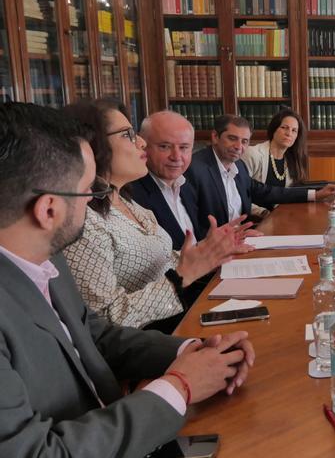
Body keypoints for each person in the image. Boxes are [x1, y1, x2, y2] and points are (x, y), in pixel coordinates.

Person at [0, 101, 255, 457]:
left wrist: (193, 350)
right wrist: (179, 386)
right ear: (48, 210)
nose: (96, 200)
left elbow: (97, 334)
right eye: (90, 190)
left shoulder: (45, 258)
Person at [62, 99, 250, 332]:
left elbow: (162, 259)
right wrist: (183, 276)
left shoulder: (126, 200)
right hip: (148, 344)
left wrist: (209, 250)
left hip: (180, 318)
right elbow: (102, 322)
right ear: (90, 145)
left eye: (184, 147)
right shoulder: (82, 220)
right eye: (127, 135)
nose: (141, 144)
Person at [185, 114, 335, 230]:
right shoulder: (195, 168)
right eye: (232, 139)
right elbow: (191, 225)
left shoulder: (238, 168)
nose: (239, 146)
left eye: (244, 141)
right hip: (215, 250)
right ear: (215, 137)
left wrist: (316, 194)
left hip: (243, 238)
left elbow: (267, 192)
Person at [129, 110, 203, 250]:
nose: (176, 156)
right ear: (143, 146)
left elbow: (193, 243)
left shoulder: (186, 185)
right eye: (164, 147)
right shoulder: (132, 195)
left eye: (184, 148)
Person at [241, 108, 309, 217]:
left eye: (294, 130)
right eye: (284, 128)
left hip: (280, 217)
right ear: (274, 129)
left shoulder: (292, 159)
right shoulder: (252, 154)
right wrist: (263, 213)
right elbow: (239, 194)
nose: (289, 134)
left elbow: (286, 195)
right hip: (253, 219)